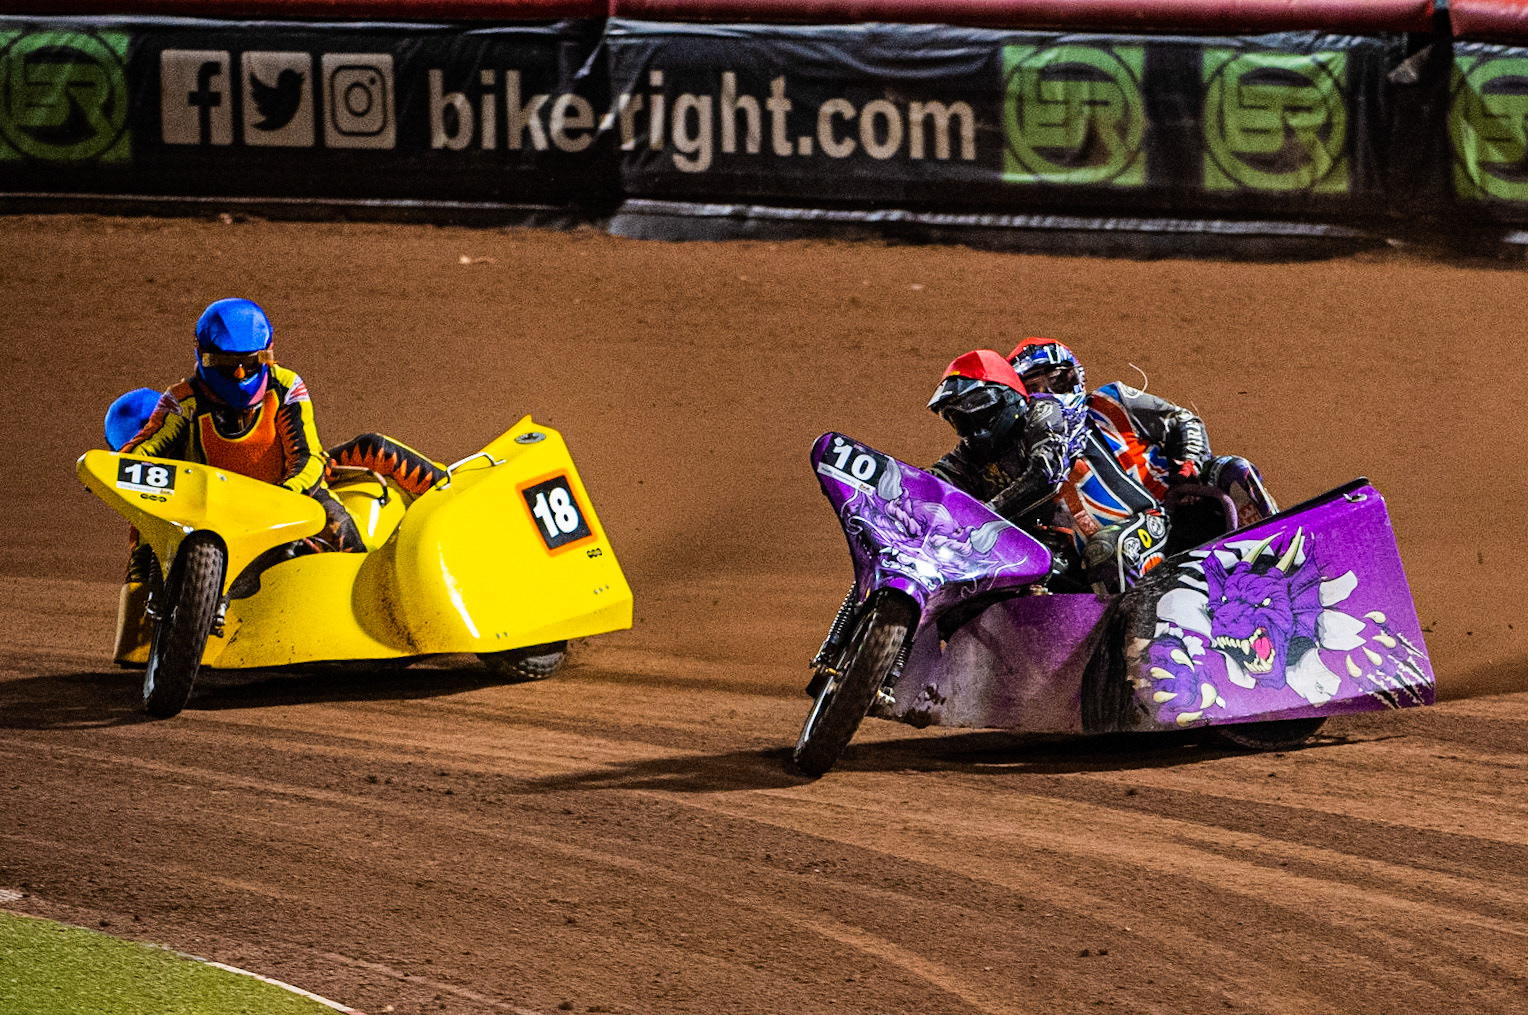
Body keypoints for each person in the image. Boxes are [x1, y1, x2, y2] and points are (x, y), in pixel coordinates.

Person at [1007, 337, 1278, 589]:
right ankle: (1135, 632)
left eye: (1057, 381)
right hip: (1117, 550)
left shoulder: (1111, 401)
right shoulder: (1025, 452)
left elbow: (1183, 421)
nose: (1048, 395)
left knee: (1236, 470)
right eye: (1034, 390)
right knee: (1107, 549)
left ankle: (1286, 560)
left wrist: (1190, 464)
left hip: (1179, 508)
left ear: (1075, 376)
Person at [121, 298, 364, 552]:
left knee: (339, 526)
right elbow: (147, 446)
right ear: (204, 355)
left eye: (249, 363)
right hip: (205, 506)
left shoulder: (286, 387)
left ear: (266, 355)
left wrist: (284, 495)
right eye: (227, 364)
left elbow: (308, 456)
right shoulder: (182, 400)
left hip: (282, 497)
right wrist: (113, 469)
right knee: (145, 537)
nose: (239, 374)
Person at [926, 349, 1075, 531]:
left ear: (1009, 399)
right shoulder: (971, 452)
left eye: (980, 414)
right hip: (1031, 544)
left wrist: (984, 515)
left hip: (1087, 527)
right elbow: (933, 480)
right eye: (961, 421)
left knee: (1103, 547)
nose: (973, 430)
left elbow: (1045, 474)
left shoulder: (1042, 412)